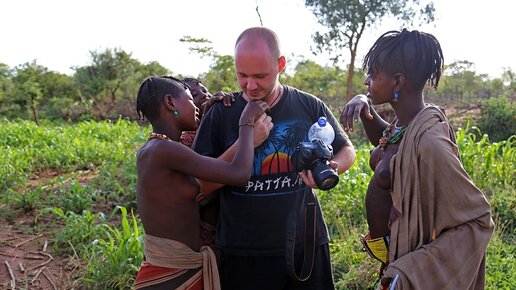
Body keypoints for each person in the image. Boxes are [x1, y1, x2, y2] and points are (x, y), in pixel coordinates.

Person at [193, 27, 356, 290]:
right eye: (242, 75)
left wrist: (332, 166)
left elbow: (347, 149)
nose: (250, 85)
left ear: (280, 64)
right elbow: (203, 183)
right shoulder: (221, 113)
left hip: (306, 246)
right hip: (242, 252)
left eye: (260, 76)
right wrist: (246, 140)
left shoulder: (308, 105)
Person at [340, 29, 494, 289]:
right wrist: (365, 108)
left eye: (373, 75)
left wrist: (411, 271)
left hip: (408, 260)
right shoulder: (404, 124)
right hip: (391, 251)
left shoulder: (431, 142)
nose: (367, 82)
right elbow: (389, 143)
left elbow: (477, 218)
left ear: (397, 82)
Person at [133, 75, 269, 289]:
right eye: (189, 98)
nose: (196, 105)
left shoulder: (156, 149)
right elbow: (238, 174)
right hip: (172, 271)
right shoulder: (166, 150)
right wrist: (246, 124)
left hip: (178, 268)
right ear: (170, 103)